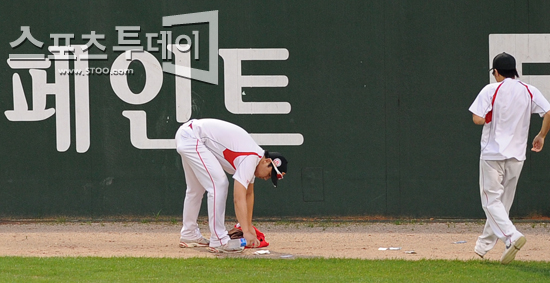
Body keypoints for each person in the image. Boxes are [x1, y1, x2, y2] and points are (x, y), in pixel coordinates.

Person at [469, 52, 550, 264]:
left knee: (490, 202)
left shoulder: (490, 89)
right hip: (517, 156)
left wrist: (485, 118)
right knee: (502, 203)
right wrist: (541, 136)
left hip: (492, 154)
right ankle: (483, 246)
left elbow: (476, 118)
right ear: (514, 71)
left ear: (496, 72)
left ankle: (511, 236)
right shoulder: (528, 90)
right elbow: (548, 112)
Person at [174, 118, 288, 253]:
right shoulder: (251, 158)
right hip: (193, 137)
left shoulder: (253, 159)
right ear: (267, 161)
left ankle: (189, 233)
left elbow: (248, 194)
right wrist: (245, 231)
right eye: (270, 174)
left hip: (188, 134)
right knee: (219, 184)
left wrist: (248, 225)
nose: (266, 178)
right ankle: (219, 240)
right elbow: (238, 198)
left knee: (195, 189)